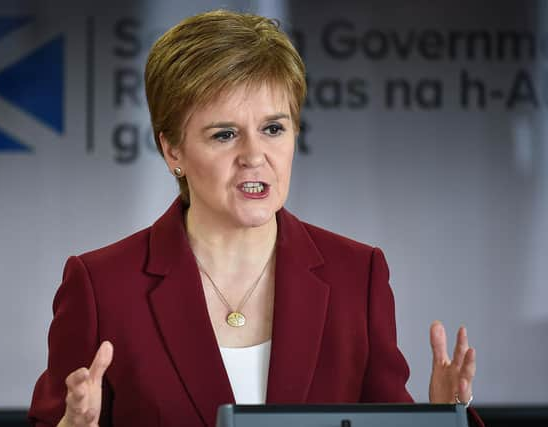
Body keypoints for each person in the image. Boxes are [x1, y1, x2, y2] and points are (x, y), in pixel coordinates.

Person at [29, 9, 482, 427]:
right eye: (224, 134)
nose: (254, 156)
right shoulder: (101, 285)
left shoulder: (356, 275)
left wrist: (446, 418)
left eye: (273, 128)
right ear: (172, 150)